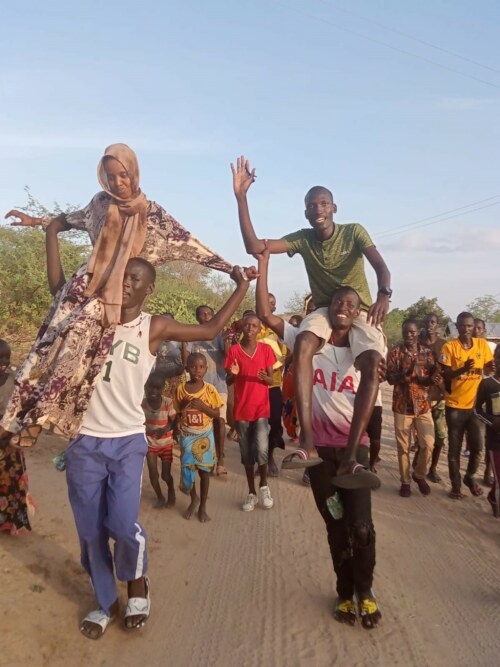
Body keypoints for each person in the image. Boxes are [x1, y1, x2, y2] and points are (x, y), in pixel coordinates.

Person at [28, 218, 255, 639]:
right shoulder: (90, 315)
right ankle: (104, 600)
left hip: (127, 441)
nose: (127, 284)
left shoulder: (153, 327)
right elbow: (57, 288)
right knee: (90, 530)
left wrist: (240, 287)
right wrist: (51, 233)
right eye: (123, 276)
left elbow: (208, 330)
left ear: (149, 288)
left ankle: (136, 583)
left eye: (137, 279)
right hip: (83, 442)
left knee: (120, 523)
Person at [0, 143, 232, 448]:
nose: (117, 183)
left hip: (119, 295)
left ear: (133, 173)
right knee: (43, 351)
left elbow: (189, 244)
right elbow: (69, 219)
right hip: (84, 285)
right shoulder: (99, 203)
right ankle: (18, 421)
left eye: (122, 175)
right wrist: (39, 222)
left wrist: (230, 269)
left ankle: (42, 420)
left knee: (80, 351)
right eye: (110, 177)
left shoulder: (154, 216)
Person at [231, 156, 387, 480]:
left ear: (334, 208)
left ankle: (351, 454)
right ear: (305, 212)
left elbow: (380, 266)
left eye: (323, 203)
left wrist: (384, 294)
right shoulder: (303, 238)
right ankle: (307, 443)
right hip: (324, 310)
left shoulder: (354, 231)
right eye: (312, 205)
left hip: (357, 311)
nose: (318, 209)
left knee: (371, 364)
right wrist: (241, 197)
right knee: (302, 342)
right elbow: (255, 246)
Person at [255, 249, 382, 628]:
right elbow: (265, 314)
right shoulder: (309, 340)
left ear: (358, 313)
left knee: (362, 526)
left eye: (352, 303)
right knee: (336, 524)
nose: (344, 307)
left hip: (351, 450)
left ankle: (366, 590)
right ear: (328, 308)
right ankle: (345, 592)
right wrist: (264, 264)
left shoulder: (365, 350)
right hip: (320, 455)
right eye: (339, 301)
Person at [439, 312, 494, 499]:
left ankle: (469, 477)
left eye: (470, 326)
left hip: (476, 407)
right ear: (457, 326)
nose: (467, 329)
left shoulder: (482, 345)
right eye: (462, 326)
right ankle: (456, 486)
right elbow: (446, 375)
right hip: (455, 405)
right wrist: (463, 368)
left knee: (478, 448)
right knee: (454, 449)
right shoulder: (449, 347)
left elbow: (488, 367)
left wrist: (489, 369)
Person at [225, 314, 275, 512]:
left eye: (254, 325)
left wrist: (265, 378)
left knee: (262, 449)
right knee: (246, 454)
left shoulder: (266, 349)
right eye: (247, 325)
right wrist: (233, 374)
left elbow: (271, 380)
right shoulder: (235, 351)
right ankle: (251, 493)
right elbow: (228, 381)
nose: (251, 328)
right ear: (242, 327)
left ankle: (263, 486)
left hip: (261, 408)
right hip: (242, 410)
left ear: (259, 329)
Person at [387, 320, 439, 497]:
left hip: (423, 406)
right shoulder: (395, 352)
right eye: (406, 332)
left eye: (412, 332)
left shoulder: (428, 354)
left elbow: (433, 375)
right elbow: (390, 378)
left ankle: (419, 474)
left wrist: (434, 380)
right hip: (402, 406)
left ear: (418, 333)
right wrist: (404, 375)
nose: (409, 335)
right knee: (403, 447)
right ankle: (405, 481)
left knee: (429, 444)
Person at [174, 353, 223, 522]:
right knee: (188, 469)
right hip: (187, 435)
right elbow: (177, 411)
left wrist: (203, 407)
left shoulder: (210, 390)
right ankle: (193, 498)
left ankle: (202, 506)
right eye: (193, 367)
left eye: (201, 367)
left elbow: (217, 414)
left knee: (204, 472)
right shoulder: (181, 389)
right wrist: (183, 404)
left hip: (205, 435)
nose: (197, 370)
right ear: (187, 369)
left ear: (206, 369)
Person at [187, 305, 229, 476]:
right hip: (198, 388)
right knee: (202, 424)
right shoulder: (191, 335)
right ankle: (205, 456)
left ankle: (221, 460)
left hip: (218, 386)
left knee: (219, 421)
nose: (206, 316)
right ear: (196, 317)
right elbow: (186, 361)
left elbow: (228, 356)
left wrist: (227, 340)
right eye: (202, 314)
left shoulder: (219, 334)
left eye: (209, 313)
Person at [0, 340, 32, 535]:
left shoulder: (15, 381)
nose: (4, 361)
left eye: (7, 357)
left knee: (11, 486)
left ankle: (8, 522)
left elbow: (20, 413)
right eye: (0, 357)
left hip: (9, 442)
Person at [419, 313, 447, 483]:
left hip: (439, 396)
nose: (430, 325)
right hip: (422, 395)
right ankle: (420, 464)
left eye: (433, 322)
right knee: (423, 437)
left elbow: (448, 368)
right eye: (427, 322)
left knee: (440, 436)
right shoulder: (419, 344)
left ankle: (433, 468)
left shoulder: (444, 345)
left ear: (438, 325)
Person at [142, 372, 177, 508]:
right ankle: (160, 497)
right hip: (151, 444)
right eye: (151, 387)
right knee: (153, 475)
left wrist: (165, 429)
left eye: (157, 388)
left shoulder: (167, 402)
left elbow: (174, 420)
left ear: (163, 389)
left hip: (166, 444)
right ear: (146, 387)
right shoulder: (142, 404)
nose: (153, 391)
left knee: (165, 475)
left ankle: (171, 490)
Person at [474, 344, 500, 517]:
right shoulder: (487, 384)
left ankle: (492, 496)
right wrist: (492, 422)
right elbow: (476, 409)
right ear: (495, 359)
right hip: (496, 440)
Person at [473, 318, 496, 485]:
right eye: (474, 328)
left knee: (492, 437)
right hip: (477, 398)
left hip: (493, 394)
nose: (476, 331)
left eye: (479, 328)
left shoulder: (492, 347)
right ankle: (483, 470)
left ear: (484, 330)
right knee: (483, 440)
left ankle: (489, 470)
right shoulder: (467, 347)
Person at [155, 315, 187, 399]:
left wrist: (183, 340)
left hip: (177, 377)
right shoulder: (156, 339)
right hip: (160, 378)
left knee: (179, 402)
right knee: (163, 403)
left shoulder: (179, 339)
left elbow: (185, 361)